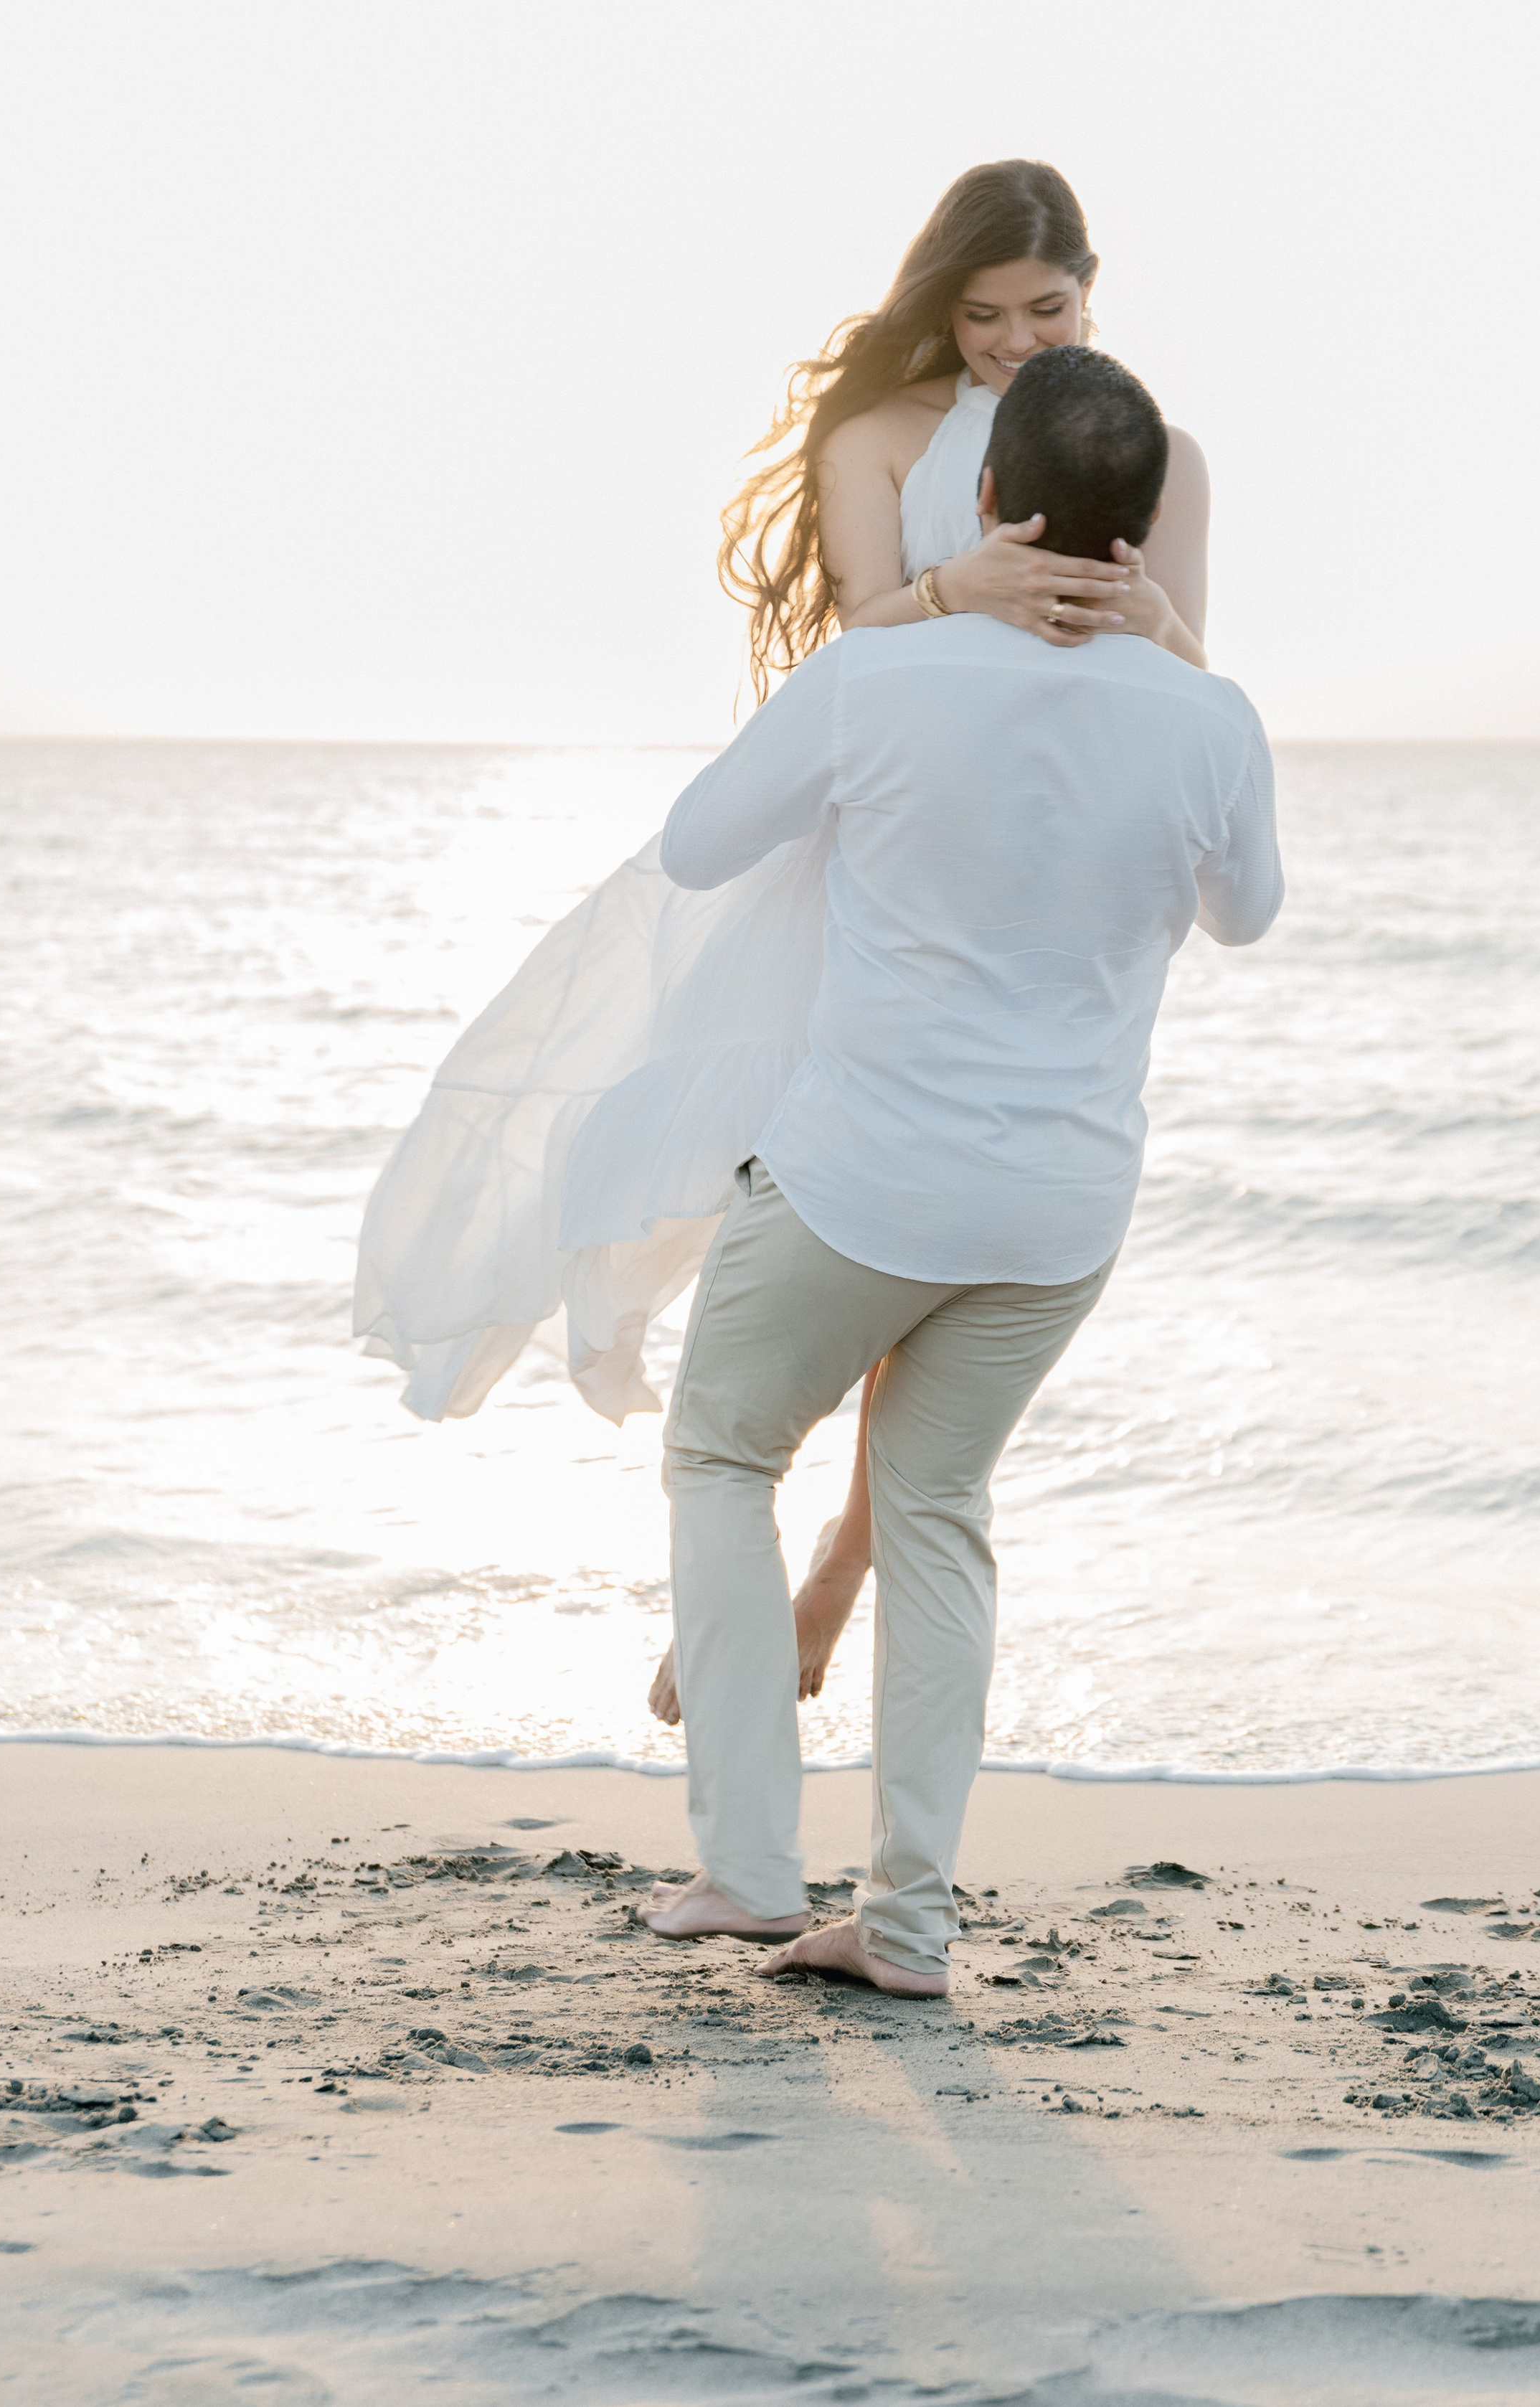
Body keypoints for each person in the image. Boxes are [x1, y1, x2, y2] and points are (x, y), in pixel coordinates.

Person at [352, 162, 1215, 1724]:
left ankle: (835, 1574)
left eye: (1048, 307)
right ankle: (743, 1565)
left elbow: (1192, 673)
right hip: (867, 866)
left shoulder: (1153, 456)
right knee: (792, 1214)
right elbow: (851, 643)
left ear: (1093, 288)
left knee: (939, 1260)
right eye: (983, 313)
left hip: (1031, 886)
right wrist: (955, 587)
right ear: (939, 303)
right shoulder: (874, 437)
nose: (1016, 340)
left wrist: (1143, 620)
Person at [641, 345, 1281, 1991]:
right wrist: (1173, 651)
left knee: (721, 1451)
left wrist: (909, 622)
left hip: (859, 1180)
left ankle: (748, 1868)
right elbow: (1247, 914)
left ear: (988, 498)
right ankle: (907, 1922)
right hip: (1058, 1210)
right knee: (936, 1512)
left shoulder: (879, 677)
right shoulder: (1207, 714)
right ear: (1141, 528)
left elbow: (699, 845)